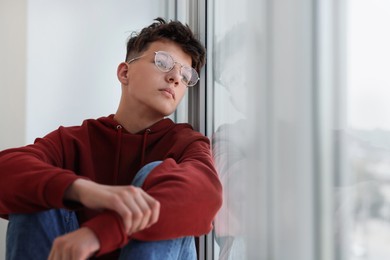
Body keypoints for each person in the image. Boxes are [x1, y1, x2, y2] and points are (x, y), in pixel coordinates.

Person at [0, 17, 222, 260]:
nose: (175, 78)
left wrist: (102, 232)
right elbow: (7, 169)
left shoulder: (186, 142)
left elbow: (206, 194)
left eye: (186, 75)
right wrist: (82, 190)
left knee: (158, 175)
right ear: (125, 72)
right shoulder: (75, 140)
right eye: (163, 62)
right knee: (35, 189)